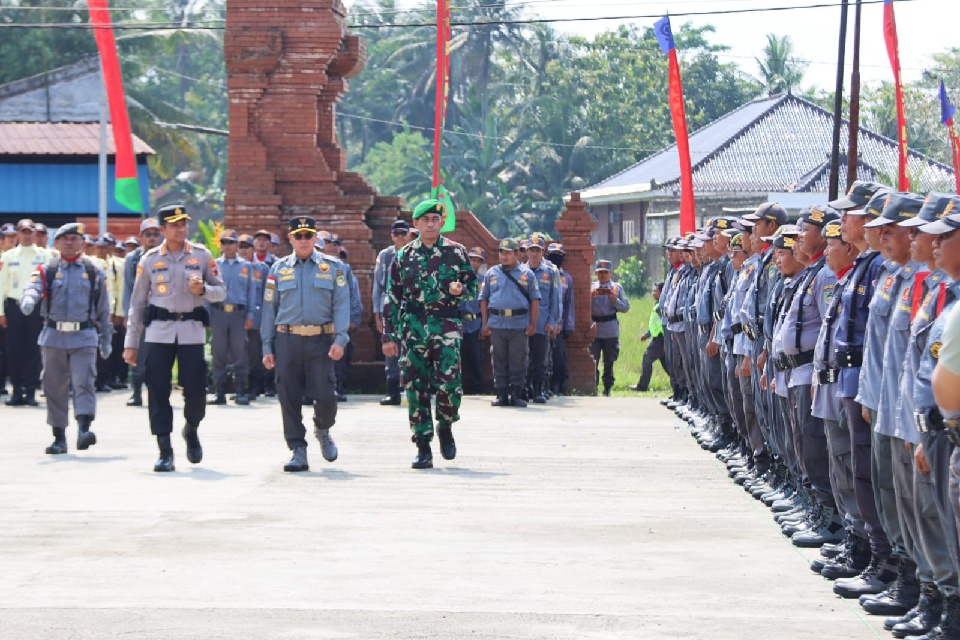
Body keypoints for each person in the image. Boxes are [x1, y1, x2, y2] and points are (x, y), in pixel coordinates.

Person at [123, 205, 226, 473]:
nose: (181, 229)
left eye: (184, 223)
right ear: (163, 229)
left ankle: (191, 429)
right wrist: (131, 343)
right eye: (175, 225)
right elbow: (137, 304)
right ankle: (164, 449)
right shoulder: (149, 260)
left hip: (191, 332)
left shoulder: (202, 256)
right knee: (157, 390)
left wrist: (203, 289)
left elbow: (221, 292)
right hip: (158, 332)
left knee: (195, 389)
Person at [383, 198, 478, 469]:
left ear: (441, 223)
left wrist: (462, 290)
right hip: (413, 328)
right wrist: (388, 334)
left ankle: (445, 425)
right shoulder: (403, 256)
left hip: (445, 326)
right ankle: (423, 445)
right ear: (416, 224)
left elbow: (474, 287)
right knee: (415, 388)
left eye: (435, 219)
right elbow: (392, 296)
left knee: (450, 384)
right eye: (425, 220)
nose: (430, 224)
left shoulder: (456, 252)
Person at [261, 217, 349, 472]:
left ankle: (323, 429)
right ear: (289, 238)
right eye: (297, 236)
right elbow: (269, 309)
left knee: (325, 396)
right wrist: (267, 346)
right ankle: (297, 449)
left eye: (307, 235)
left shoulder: (333, 267)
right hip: (287, 340)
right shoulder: (277, 269)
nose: (303, 240)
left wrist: (340, 339)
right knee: (288, 396)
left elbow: (341, 305)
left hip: (321, 340)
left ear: (315, 239)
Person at [19, 223, 112, 454]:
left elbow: (103, 309)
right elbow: (33, 287)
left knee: (84, 381)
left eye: (74, 238)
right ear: (56, 243)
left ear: (82, 242)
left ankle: (84, 429)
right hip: (54, 337)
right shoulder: (46, 269)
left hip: (84, 336)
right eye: (65, 238)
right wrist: (29, 299)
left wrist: (106, 339)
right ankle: (59, 437)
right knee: (54, 387)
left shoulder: (93, 271)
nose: (70, 242)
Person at [480, 238, 540, 409]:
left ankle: (516, 394)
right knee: (498, 359)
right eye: (501, 252)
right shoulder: (491, 273)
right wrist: (485, 323)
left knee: (518, 359)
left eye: (508, 253)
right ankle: (501, 394)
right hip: (497, 323)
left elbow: (535, 300)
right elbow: (483, 299)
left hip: (518, 324)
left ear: (516, 254)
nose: (504, 256)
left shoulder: (527, 274)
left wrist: (533, 324)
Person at [0, 218, 51, 406]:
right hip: (13, 306)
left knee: (33, 349)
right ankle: (16, 391)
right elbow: (0, 285)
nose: (27, 235)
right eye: (23, 231)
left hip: (36, 308)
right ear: (18, 233)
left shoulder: (45, 256)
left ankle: (30, 391)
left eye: (30, 231)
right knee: (14, 350)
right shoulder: (8, 256)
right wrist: (1, 313)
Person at [207, 229, 255, 406]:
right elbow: (208, 289)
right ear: (220, 245)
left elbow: (251, 292)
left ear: (237, 245)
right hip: (218, 313)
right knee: (218, 353)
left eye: (231, 242)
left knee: (240, 353)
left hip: (238, 314)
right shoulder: (214, 265)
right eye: (224, 242)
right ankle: (219, 392)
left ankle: (241, 390)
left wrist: (250, 314)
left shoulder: (246, 266)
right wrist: (207, 315)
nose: (228, 246)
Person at [122, 218, 162, 407]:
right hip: (139, 311)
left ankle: (157, 391)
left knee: (157, 355)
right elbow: (128, 288)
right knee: (136, 351)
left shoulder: (164, 255)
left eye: (155, 234)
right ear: (142, 236)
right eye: (148, 234)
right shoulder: (133, 258)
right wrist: (127, 314)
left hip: (159, 313)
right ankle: (136, 392)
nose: (152, 238)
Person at [372, 220, 412, 405]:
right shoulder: (385, 256)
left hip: (412, 310)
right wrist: (377, 315)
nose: (401, 237)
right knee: (391, 352)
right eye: (397, 234)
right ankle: (393, 392)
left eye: (404, 233)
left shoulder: (417, 253)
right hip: (390, 310)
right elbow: (378, 287)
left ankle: (411, 393)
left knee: (412, 351)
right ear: (392, 236)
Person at [523, 234, 561, 403]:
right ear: (526, 251)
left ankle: (538, 390)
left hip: (542, 323)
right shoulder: (521, 271)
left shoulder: (551, 272)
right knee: (523, 359)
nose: (534, 254)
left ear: (543, 251)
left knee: (540, 359)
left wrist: (553, 321)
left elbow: (555, 299)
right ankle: (525, 389)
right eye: (532, 250)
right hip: (522, 324)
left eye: (538, 250)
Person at [325, 232, 362, 401]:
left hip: (339, 320)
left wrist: (351, 320)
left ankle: (339, 387)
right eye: (328, 243)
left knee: (339, 355)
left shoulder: (345, 270)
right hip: (320, 320)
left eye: (335, 244)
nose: (332, 247)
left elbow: (352, 296)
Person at [590, 259, 630, 396]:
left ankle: (607, 387)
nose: (603, 275)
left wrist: (615, 301)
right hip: (594, 328)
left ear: (611, 273)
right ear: (595, 273)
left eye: (605, 272)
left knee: (609, 361)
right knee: (592, 359)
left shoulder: (617, 288)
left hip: (610, 328)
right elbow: (581, 307)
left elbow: (626, 307)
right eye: (600, 272)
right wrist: (590, 297)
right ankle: (592, 386)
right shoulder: (591, 287)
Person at [238, 234, 271, 398]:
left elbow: (268, 297)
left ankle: (255, 388)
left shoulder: (263, 269)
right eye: (241, 246)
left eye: (247, 247)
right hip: (237, 318)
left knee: (254, 355)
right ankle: (241, 388)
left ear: (253, 249)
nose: (243, 250)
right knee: (239, 355)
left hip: (256, 320)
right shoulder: (235, 267)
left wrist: (266, 321)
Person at [547, 242, 574, 396]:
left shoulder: (567, 279)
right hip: (542, 323)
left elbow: (569, 304)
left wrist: (568, 325)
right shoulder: (540, 274)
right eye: (553, 255)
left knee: (559, 358)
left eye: (559, 256)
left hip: (559, 326)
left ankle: (558, 386)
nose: (555, 258)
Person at [630, 281, 666, 392]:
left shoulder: (661, 306)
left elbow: (665, 323)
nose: (652, 293)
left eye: (655, 291)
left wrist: (667, 341)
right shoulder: (657, 305)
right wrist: (647, 334)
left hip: (660, 339)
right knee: (668, 366)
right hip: (658, 337)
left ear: (662, 292)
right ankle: (680, 387)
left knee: (647, 358)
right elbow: (656, 323)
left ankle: (642, 386)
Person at [461, 247, 486, 395]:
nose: (475, 263)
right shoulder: (459, 278)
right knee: (457, 358)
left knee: (476, 358)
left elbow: (485, 303)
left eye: (478, 260)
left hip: (475, 323)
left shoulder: (483, 280)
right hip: (459, 322)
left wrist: (484, 324)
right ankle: (458, 387)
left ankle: (477, 388)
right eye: (472, 259)